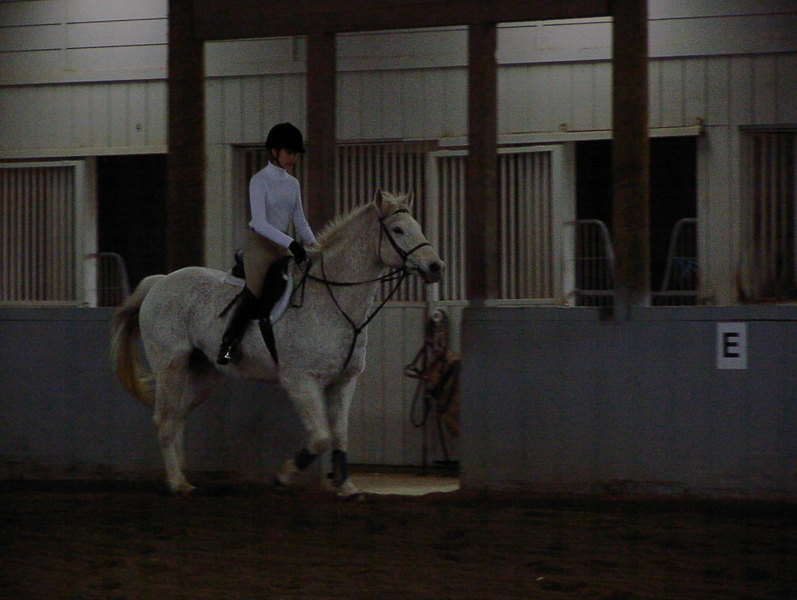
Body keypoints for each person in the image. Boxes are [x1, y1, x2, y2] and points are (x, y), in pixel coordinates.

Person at [217, 122, 317, 365]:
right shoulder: (259, 181)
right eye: (289, 152)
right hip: (260, 245)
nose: (293, 158)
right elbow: (260, 222)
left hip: (282, 245)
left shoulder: (293, 184)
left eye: (295, 154)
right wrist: (292, 244)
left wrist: (315, 246)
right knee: (255, 291)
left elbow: (300, 220)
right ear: (274, 151)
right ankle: (228, 343)